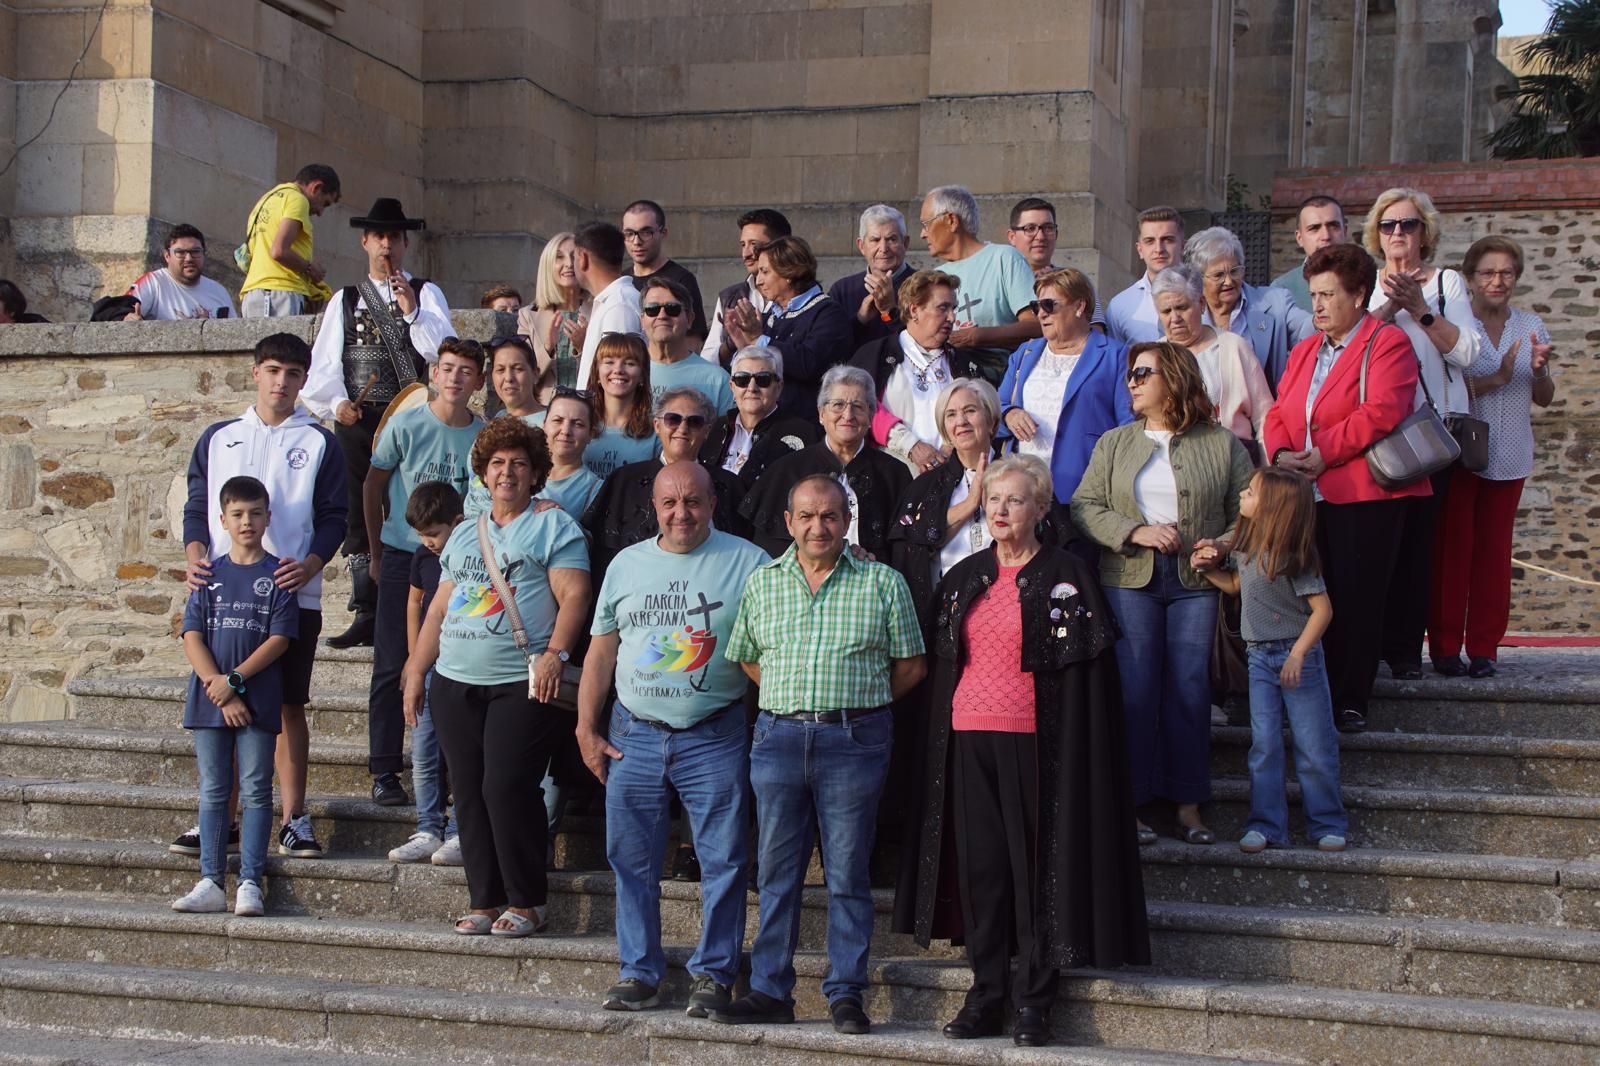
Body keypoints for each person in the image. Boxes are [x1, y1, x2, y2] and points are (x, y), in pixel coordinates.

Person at [896, 455, 1148, 1048]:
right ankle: (985, 992)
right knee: (982, 871)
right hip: (967, 739)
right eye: (992, 501)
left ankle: (1035, 999)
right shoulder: (966, 576)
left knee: (1036, 872)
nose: (1000, 510)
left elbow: (1091, 683)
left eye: (1013, 500)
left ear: (1040, 508)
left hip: (1037, 743)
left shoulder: (1068, 575)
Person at [714, 474, 927, 1034]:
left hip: (853, 742)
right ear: (789, 522)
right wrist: (795, 700)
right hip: (779, 739)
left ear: (846, 521)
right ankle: (769, 991)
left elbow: (910, 666)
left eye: (830, 516)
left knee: (847, 873)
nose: (818, 526)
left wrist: (855, 703)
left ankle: (846, 993)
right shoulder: (763, 584)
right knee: (777, 872)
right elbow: (748, 659)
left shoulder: (882, 583)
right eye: (806, 516)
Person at [575, 460, 770, 1016]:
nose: (681, 513)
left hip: (714, 735)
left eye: (693, 501)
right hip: (633, 734)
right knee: (630, 859)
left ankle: (713, 974)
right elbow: (601, 652)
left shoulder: (750, 562)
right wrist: (586, 727)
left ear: (712, 503)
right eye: (669, 503)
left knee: (724, 860)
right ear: (653, 507)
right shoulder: (626, 565)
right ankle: (639, 971)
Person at [401, 417, 591, 937]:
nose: (507, 472)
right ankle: (484, 898)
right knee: (467, 789)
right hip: (455, 680)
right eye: (497, 464)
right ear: (483, 474)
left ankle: (527, 899)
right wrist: (417, 669)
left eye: (520, 464)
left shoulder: (555, 525)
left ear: (536, 474)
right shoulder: (465, 532)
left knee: (506, 785)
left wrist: (557, 651)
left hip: (521, 681)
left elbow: (574, 596)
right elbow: (440, 609)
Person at [1071, 341, 1253, 845]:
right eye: (1131, 373)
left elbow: (1250, 511)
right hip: (1130, 580)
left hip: (1197, 584)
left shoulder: (1221, 443)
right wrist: (1134, 531)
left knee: (1190, 692)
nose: (1131, 381)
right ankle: (1131, 804)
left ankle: (1190, 806)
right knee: (1134, 692)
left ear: (1173, 377)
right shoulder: (1114, 443)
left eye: (1142, 373)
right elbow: (1084, 507)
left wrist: (1220, 545)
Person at [175, 333, 346, 862]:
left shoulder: (321, 441)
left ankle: (294, 817)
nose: (282, 382)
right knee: (220, 700)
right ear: (255, 372)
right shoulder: (219, 436)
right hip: (223, 593)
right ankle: (219, 819)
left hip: (291, 597)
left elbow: (334, 516)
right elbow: (196, 504)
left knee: (288, 704)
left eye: (293, 373)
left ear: (304, 379)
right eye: (273, 370)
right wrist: (195, 556)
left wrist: (311, 565)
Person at [1263, 243, 1426, 735]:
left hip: (1363, 493)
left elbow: (1381, 411)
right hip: (1304, 493)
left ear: (1359, 295)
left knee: (1356, 598)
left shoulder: (1388, 343)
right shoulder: (1305, 349)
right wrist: (1279, 453)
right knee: (1309, 596)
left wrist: (1322, 451)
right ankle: (1311, 694)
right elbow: (1276, 410)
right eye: (1313, 294)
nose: (1316, 305)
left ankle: (1351, 698)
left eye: (1328, 294)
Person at [303, 198, 452, 651]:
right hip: (360, 418)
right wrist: (337, 404)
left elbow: (443, 353)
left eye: (394, 237)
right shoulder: (344, 301)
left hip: (411, 417)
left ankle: (422, 597)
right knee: (356, 507)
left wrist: (411, 313)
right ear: (365, 242)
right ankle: (366, 606)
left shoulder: (426, 294)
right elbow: (324, 367)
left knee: (416, 503)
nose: (386, 244)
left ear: (405, 244)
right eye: (378, 236)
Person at [1192, 469, 1347, 853]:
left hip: (1298, 656)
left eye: (1249, 492)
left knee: (1312, 744)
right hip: (1259, 658)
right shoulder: (1245, 549)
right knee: (1264, 745)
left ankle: (1327, 822)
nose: (1242, 495)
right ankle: (1266, 825)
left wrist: (1297, 654)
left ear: (1273, 506)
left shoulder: (1295, 555)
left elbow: (1323, 610)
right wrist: (1208, 570)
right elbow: (1235, 587)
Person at [1362, 187, 1481, 681]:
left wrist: (1420, 309)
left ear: (1424, 232)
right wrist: (1389, 307)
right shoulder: (1365, 284)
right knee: (1376, 545)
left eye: (1408, 225)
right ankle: (1373, 646)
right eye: (1388, 226)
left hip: (1431, 435)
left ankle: (1408, 652)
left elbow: (1471, 353)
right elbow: (1353, 350)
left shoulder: (1446, 282)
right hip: (1378, 432)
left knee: (1419, 545)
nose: (1398, 234)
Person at [363, 338, 486, 806]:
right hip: (402, 552)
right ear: (434, 374)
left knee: (452, 664)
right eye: (448, 369)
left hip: (461, 559)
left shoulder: (482, 433)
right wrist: (374, 550)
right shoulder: (407, 423)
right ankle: (385, 768)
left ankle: (448, 773)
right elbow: (373, 485)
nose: (455, 378)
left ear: (477, 381)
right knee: (394, 660)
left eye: (466, 371)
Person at [170, 476, 299, 916]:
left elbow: (279, 639)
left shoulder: (278, 576)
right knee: (213, 789)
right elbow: (191, 635)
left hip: (257, 700)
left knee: (257, 790)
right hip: (210, 701)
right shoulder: (209, 574)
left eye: (255, 513)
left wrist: (237, 682)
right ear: (223, 520)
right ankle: (209, 880)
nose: (247, 522)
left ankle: (250, 881)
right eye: (238, 514)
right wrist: (219, 688)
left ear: (267, 518)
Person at [1430, 236, 1556, 679]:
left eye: (1506, 272)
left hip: (1512, 454)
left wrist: (1538, 372)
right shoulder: (1459, 328)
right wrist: (1500, 376)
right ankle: (1445, 646)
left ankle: (1484, 648)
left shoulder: (1530, 326)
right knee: (1453, 550)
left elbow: (1544, 397)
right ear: (1470, 279)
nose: (1497, 280)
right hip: (1462, 455)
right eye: (1488, 272)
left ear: (1517, 278)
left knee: (1494, 554)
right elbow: (1448, 390)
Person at [740, 365, 912, 560]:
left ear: (871, 416)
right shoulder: (787, 470)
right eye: (838, 405)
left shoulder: (894, 473)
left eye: (858, 406)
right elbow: (769, 551)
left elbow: (904, 550)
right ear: (822, 414)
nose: (848, 415)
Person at [582, 386, 748, 587]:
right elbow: (600, 552)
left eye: (694, 422)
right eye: (673, 419)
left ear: (707, 431)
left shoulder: (728, 485)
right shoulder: (623, 481)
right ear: (657, 425)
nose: (683, 428)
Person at [996, 269, 1133, 507]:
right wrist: (1009, 414)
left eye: (1049, 305)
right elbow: (996, 407)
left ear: (1080, 306)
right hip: (1023, 490)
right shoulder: (1025, 353)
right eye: (1036, 306)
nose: (1040, 314)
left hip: (1085, 487)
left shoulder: (1115, 355)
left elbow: (1128, 424)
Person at [388, 482, 465, 865]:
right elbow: (415, 602)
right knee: (423, 751)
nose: (428, 542)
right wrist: (413, 656)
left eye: (434, 533)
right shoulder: (422, 557)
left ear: (458, 521)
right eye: (422, 535)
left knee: (458, 753)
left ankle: (458, 831)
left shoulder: (470, 555)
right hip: (429, 665)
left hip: (461, 664)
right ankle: (427, 826)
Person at [887, 378, 1003, 623]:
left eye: (970, 411)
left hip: (1007, 610)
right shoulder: (925, 486)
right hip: (945, 615)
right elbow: (914, 546)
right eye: (950, 415)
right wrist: (970, 504)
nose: (960, 421)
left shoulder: (1019, 476)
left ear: (992, 421)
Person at [851, 270, 984, 475]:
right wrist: (911, 445)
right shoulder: (875, 354)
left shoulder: (962, 362)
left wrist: (953, 446)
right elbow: (860, 405)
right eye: (943, 308)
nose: (951, 317)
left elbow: (984, 410)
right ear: (914, 310)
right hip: (890, 476)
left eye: (953, 308)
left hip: (953, 476)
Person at [917, 185, 1040, 384]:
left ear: (951, 220)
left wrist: (980, 336)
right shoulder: (936, 277)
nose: (923, 234)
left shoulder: (1004, 258)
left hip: (998, 383)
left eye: (926, 223)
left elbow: (1036, 325)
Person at [722, 235, 853, 418]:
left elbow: (808, 363)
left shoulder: (828, 313)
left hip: (804, 425)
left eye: (765, 272)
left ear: (789, 273)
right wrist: (744, 345)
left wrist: (758, 339)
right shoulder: (770, 315)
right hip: (766, 422)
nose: (758, 281)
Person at [1152, 266, 1273, 450]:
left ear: (1201, 303)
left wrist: (1264, 469)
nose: (1174, 318)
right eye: (1166, 311)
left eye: (1182, 307)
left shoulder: (1234, 347)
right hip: (1170, 462)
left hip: (1232, 458)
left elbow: (1264, 416)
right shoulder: (1153, 356)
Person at [1183, 226, 1314, 391]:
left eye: (1235, 271)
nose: (1229, 281)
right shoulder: (1184, 315)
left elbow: (1307, 328)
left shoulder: (1276, 303)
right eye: (1218, 275)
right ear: (1198, 278)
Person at [699, 346, 821, 482]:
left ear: (779, 387)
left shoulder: (802, 432)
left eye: (763, 380)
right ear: (732, 387)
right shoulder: (713, 429)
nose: (752, 388)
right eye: (742, 379)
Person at [238, 163, 340, 317]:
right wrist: (310, 269)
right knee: (280, 342)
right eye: (325, 203)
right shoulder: (298, 200)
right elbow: (279, 251)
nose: (320, 212)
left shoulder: (267, 199)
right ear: (316, 187)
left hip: (259, 293)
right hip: (278, 293)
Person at [702, 208, 791, 366]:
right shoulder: (729, 297)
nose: (746, 253)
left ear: (780, 246)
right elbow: (707, 361)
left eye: (754, 245)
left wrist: (758, 338)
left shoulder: (798, 297)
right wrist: (731, 342)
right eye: (743, 245)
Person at [1005, 196, 1108, 325]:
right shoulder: (998, 281)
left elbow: (1097, 332)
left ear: (1056, 234)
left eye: (1048, 228)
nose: (1040, 237)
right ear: (1012, 237)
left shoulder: (1077, 282)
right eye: (1030, 229)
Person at [828, 204, 917, 352]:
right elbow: (831, 348)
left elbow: (927, 343)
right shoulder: (842, 290)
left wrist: (889, 311)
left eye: (892, 239)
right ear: (861, 246)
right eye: (875, 240)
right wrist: (860, 319)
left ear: (905, 243)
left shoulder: (924, 286)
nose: (883, 248)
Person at [641, 275, 735, 413]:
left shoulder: (718, 381)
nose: (662, 316)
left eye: (672, 308)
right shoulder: (622, 375)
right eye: (652, 309)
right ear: (642, 320)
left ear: (690, 319)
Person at [516, 232, 590, 400]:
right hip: (543, 411)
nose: (568, 264)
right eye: (559, 257)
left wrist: (583, 347)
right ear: (548, 265)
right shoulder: (528, 316)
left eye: (574, 256)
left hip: (589, 409)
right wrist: (548, 347)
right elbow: (522, 376)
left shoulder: (599, 310)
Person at [623, 199, 707, 345]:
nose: (636, 241)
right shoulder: (621, 281)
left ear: (663, 233)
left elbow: (693, 343)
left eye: (646, 232)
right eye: (629, 233)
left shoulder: (682, 279)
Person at [574, 221, 645, 385]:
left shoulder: (619, 307)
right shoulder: (611, 301)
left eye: (574, 257)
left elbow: (619, 382)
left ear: (583, 259)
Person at [582, 332, 662, 479]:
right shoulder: (579, 424)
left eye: (630, 363)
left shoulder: (656, 432)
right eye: (609, 362)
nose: (618, 370)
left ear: (643, 375)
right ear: (597, 372)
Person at [1106, 205, 1186, 346]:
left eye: (1167, 240)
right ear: (1140, 249)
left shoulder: (1203, 296)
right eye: (1150, 241)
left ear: (1183, 247)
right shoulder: (1119, 306)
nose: (1158, 249)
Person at [129, 224, 237, 320]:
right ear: (167, 256)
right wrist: (129, 318)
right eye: (180, 252)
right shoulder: (152, 283)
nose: (189, 258)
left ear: (204, 254)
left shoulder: (219, 292)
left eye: (195, 251)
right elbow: (123, 312)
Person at [1270, 196, 1347, 313]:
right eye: (1314, 228)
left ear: (1345, 232)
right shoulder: (1282, 290)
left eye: (1333, 226)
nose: (1326, 236)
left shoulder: (1369, 281)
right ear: (1299, 238)